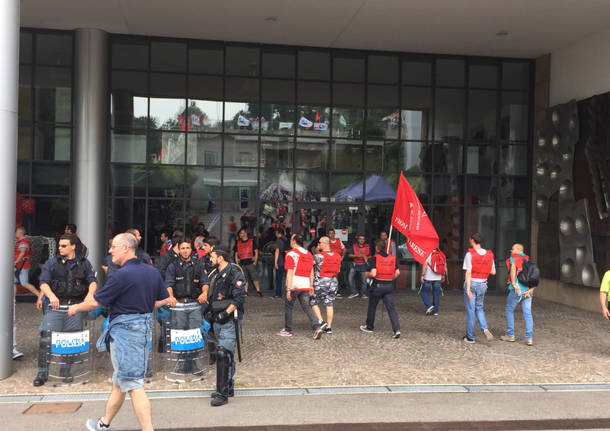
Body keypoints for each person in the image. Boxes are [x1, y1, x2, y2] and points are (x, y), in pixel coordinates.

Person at [67, 233, 169, 431]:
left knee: (133, 383)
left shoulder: (120, 275)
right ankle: (104, 424)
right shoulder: (152, 272)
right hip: (142, 329)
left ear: (125, 248)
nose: (110, 250)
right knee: (120, 381)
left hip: (125, 333)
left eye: (113, 246)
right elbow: (161, 300)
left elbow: (96, 301)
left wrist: (76, 308)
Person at [33, 234, 97, 386]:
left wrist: (89, 294)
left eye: (63, 246)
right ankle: (42, 372)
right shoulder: (52, 263)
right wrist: (51, 296)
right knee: (46, 338)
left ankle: (65, 370)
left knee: (69, 340)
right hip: (56, 306)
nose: (60, 248)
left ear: (73, 246)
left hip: (75, 306)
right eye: (59, 245)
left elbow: (92, 281)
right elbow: (43, 283)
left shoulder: (84, 263)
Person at [207, 245, 246, 407]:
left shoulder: (234, 274)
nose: (210, 259)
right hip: (217, 319)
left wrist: (226, 313)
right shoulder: (215, 275)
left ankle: (222, 394)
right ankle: (228, 385)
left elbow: (238, 299)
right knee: (226, 354)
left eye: (212, 256)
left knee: (223, 353)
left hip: (229, 319)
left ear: (220, 258)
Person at [165, 238, 210, 375]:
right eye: (182, 248)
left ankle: (193, 364)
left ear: (192, 249)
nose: (185, 251)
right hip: (178, 305)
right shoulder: (173, 265)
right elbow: (168, 284)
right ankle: (182, 364)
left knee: (194, 334)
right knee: (181, 335)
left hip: (194, 304)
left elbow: (205, 281)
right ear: (179, 249)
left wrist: (204, 293)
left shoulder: (198, 264)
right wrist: (171, 297)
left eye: (187, 248)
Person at [276, 234, 323, 339]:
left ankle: (288, 330)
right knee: (307, 307)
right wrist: (311, 285)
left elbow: (290, 272)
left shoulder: (291, 254)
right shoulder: (309, 254)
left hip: (294, 284)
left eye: (291, 239)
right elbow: (312, 271)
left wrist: (288, 289)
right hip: (305, 284)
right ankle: (317, 327)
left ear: (294, 242)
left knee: (289, 307)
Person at [359, 239, 401, 338]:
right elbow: (398, 273)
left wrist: (366, 274)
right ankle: (397, 329)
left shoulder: (374, 258)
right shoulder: (392, 258)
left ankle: (369, 327)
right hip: (389, 285)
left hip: (378, 286)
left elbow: (373, 273)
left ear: (377, 248)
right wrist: (390, 278)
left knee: (372, 306)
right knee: (391, 309)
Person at [462, 232, 495, 344]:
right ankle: (484, 327)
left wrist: (467, 289)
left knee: (471, 311)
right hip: (483, 284)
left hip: (472, 284)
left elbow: (468, 272)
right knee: (479, 308)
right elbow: (493, 271)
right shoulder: (490, 254)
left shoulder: (470, 254)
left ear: (472, 240)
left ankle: (470, 337)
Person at [13, 226, 40, 359]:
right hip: (21, 265)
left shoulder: (23, 242)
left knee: (24, 283)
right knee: (14, 282)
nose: (15, 233)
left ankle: (39, 294)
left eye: (16, 231)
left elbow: (22, 253)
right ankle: (13, 298)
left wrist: (14, 262)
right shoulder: (21, 241)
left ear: (20, 233)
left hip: (22, 265)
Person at [500, 243, 535, 346]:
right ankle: (529, 338)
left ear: (518, 250)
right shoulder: (528, 260)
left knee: (509, 309)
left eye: (513, 249)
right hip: (528, 291)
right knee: (527, 313)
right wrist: (532, 289)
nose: (511, 251)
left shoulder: (514, 258)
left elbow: (513, 270)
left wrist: (514, 284)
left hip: (517, 290)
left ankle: (511, 335)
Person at [311, 236, 340, 334]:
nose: (318, 244)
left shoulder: (318, 256)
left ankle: (321, 321)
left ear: (325, 243)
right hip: (333, 282)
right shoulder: (337, 256)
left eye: (320, 242)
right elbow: (338, 270)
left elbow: (311, 267)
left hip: (320, 282)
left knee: (313, 302)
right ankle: (329, 327)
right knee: (329, 303)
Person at [234, 228, 262, 296]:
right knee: (244, 278)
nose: (240, 234)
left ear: (245, 234)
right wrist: (237, 263)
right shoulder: (238, 242)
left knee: (254, 277)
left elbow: (256, 251)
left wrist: (255, 261)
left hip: (250, 262)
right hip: (242, 263)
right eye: (240, 233)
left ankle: (258, 291)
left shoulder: (251, 241)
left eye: (242, 233)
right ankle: (245, 291)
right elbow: (236, 253)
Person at [420, 247, 446, 316]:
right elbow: (444, 265)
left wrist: (422, 275)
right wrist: (443, 275)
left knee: (423, 292)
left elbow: (425, 264)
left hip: (428, 277)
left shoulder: (428, 254)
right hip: (438, 277)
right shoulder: (441, 254)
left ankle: (429, 305)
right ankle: (435, 311)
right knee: (436, 294)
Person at [347, 234, 370, 299]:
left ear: (364, 240)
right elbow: (349, 255)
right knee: (350, 279)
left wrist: (366, 257)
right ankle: (354, 292)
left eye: (363, 239)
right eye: (360, 239)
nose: (361, 240)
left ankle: (363, 294)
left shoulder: (367, 246)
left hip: (363, 265)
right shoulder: (354, 246)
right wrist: (356, 256)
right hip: (355, 264)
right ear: (358, 240)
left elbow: (371, 256)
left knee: (364, 281)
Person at [273, 228, 289, 298]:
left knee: (278, 279)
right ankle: (288, 293)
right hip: (287, 261)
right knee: (287, 278)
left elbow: (277, 251)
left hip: (280, 262)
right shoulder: (286, 239)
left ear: (279, 233)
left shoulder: (278, 240)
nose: (275, 234)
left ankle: (278, 293)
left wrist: (275, 262)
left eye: (276, 233)